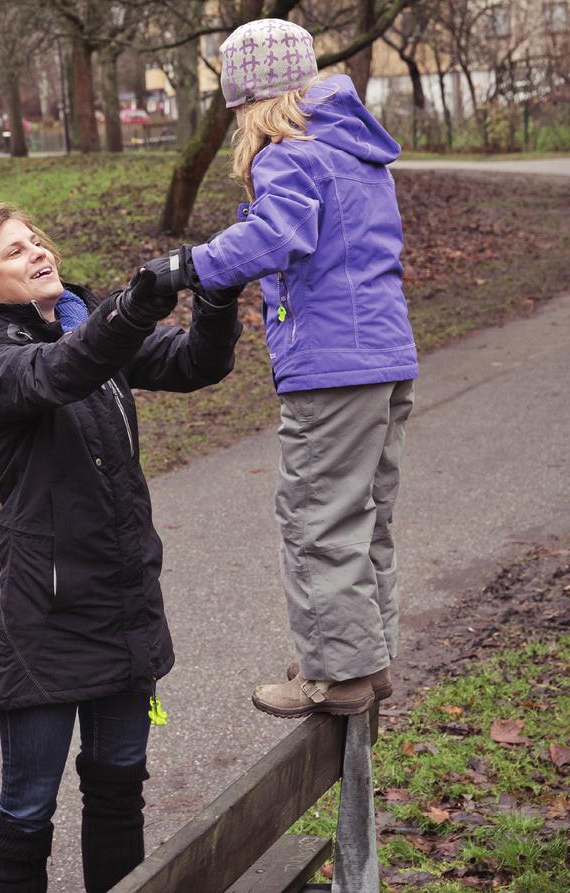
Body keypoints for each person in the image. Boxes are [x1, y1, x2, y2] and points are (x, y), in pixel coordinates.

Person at [0, 203, 242, 892]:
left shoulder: (84, 322)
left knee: (117, 793)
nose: (38, 251)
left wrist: (219, 284)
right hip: (43, 620)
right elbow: (62, 371)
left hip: (122, 600)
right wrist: (132, 306)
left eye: (38, 239)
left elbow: (199, 360)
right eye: (15, 252)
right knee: (26, 811)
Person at [143, 19, 418, 719]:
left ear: (252, 101)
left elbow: (278, 233)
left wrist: (188, 266)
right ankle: (366, 654)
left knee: (314, 515)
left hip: (331, 366)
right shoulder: (355, 149)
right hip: (386, 356)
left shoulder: (288, 153)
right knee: (364, 512)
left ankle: (336, 673)